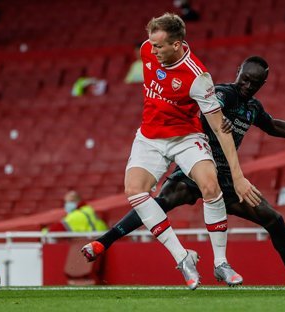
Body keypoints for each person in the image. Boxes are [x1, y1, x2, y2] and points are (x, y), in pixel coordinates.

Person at [82, 56, 285, 290]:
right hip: (194, 169)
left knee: (274, 220)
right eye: (244, 80)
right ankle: (103, 243)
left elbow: (274, 126)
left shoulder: (252, 108)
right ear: (238, 73)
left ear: (261, 85)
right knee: (156, 202)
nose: (247, 86)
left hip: (226, 182)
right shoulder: (222, 94)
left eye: (253, 84)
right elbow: (211, 106)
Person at [83, 13, 262, 290]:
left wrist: (239, 177)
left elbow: (220, 129)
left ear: (177, 45)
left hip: (185, 137)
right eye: (151, 45)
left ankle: (220, 263)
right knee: (135, 191)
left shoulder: (197, 77)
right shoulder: (146, 49)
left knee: (210, 185)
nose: (151, 50)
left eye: (159, 46)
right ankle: (183, 257)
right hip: (150, 138)